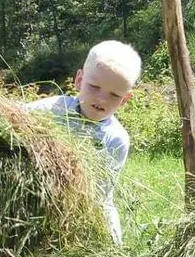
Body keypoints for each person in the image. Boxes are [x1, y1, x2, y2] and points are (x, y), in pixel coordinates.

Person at [26, 41, 141, 244]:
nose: (102, 99)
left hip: (79, 210)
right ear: (79, 80)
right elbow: (12, 116)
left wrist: (112, 240)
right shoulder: (51, 110)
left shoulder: (115, 139)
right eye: (94, 87)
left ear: (125, 99)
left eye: (114, 95)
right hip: (33, 199)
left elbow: (102, 196)